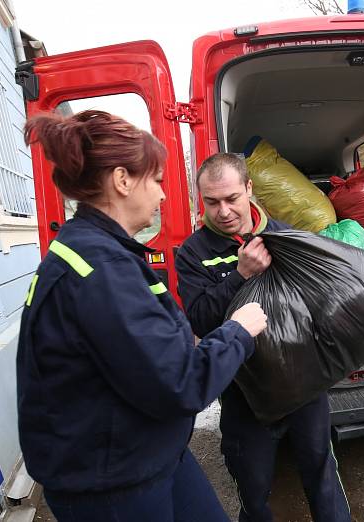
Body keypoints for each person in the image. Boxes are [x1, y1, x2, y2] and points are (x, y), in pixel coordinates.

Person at [17, 110, 268, 522]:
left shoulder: (98, 250)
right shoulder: (99, 269)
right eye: (156, 180)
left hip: (148, 452)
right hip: (110, 483)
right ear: (122, 181)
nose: (163, 195)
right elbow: (181, 384)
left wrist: (181, 341)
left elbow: (130, 349)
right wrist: (239, 330)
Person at [174, 153, 351, 522]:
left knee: (321, 471)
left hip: (303, 382)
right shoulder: (193, 253)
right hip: (244, 392)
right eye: (212, 202)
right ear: (200, 200)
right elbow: (202, 321)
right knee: (252, 485)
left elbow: (320, 304)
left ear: (249, 189)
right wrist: (240, 274)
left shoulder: (286, 236)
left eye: (232, 198)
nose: (223, 211)